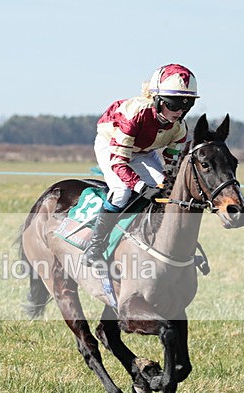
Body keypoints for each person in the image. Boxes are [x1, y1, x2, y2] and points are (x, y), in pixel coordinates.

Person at [83, 63, 200, 266]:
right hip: (111, 146)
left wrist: (167, 183)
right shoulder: (135, 115)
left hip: (144, 152)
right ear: (157, 100)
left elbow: (172, 163)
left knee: (167, 191)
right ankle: (95, 245)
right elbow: (119, 161)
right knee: (121, 192)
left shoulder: (179, 128)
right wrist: (140, 186)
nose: (180, 111)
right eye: (173, 105)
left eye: (186, 105)